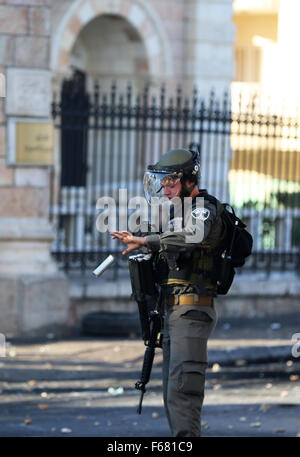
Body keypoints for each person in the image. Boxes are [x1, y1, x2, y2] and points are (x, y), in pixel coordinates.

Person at [110, 148, 226, 437]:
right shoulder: (177, 213)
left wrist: (145, 240)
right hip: (173, 311)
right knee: (172, 393)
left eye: (171, 182)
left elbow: (189, 238)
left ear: (189, 180)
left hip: (192, 309)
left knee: (184, 390)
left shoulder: (203, 209)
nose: (166, 188)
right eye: (163, 182)